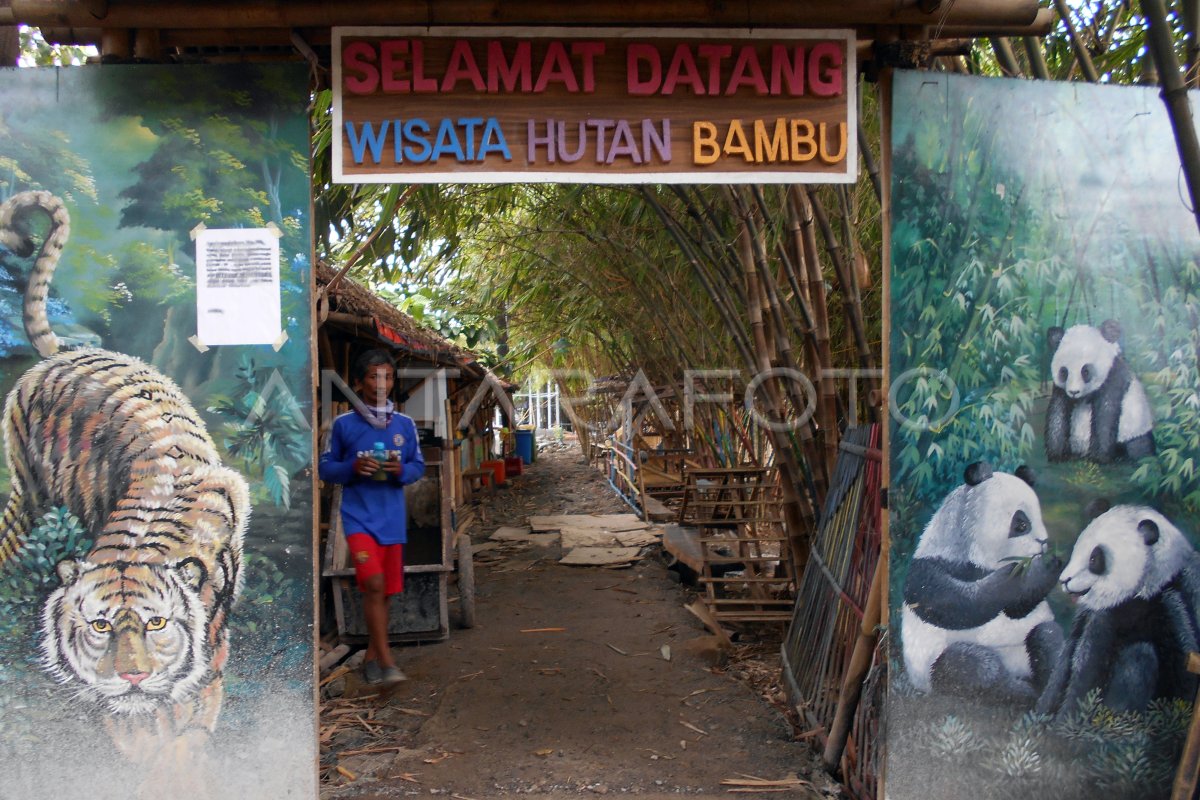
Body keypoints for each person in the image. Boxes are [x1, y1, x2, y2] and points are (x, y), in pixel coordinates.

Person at [319, 349, 425, 685]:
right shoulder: (342, 425)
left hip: (392, 520)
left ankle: (371, 659)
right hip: (358, 519)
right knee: (374, 584)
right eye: (373, 377)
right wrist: (351, 467)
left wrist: (399, 470)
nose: (382, 384)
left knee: (387, 591)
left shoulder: (405, 426)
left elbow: (417, 468)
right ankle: (388, 660)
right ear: (358, 383)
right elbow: (325, 468)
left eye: (388, 377)